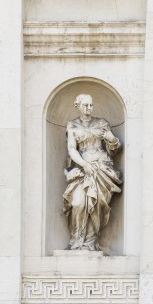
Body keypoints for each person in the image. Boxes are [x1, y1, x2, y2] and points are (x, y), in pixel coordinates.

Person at [63, 94, 122, 251]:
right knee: (78, 202)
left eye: (91, 105)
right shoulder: (73, 125)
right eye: (85, 105)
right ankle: (76, 241)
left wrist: (112, 139)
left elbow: (113, 150)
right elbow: (71, 149)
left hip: (102, 169)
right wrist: (84, 164)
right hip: (82, 169)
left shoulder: (102, 123)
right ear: (78, 106)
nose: (88, 108)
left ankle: (90, 242)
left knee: (97, 206)